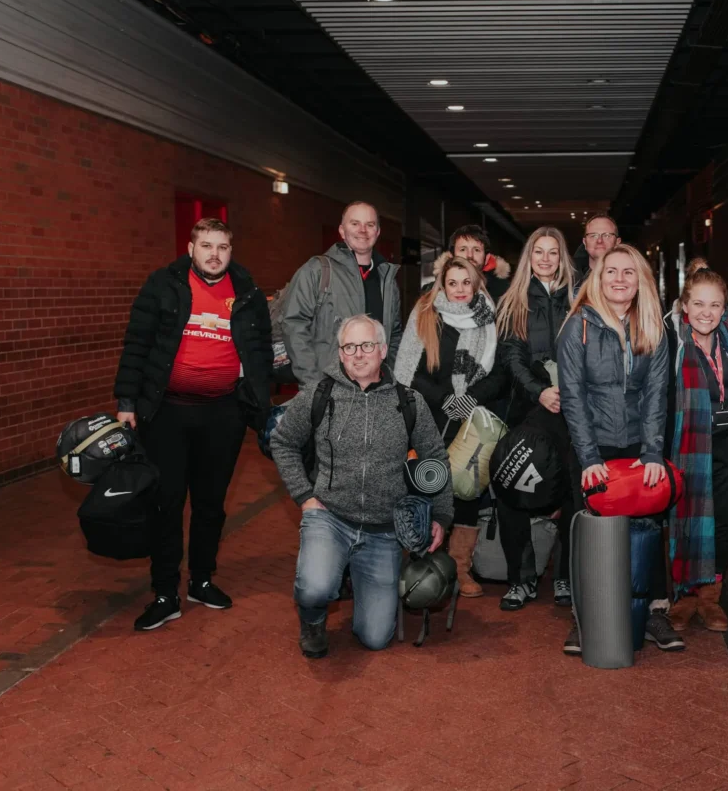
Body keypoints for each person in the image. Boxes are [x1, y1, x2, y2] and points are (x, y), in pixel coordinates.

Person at [114, 217, 272, 631]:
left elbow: (259, 348)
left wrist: (259, 400)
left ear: (230, 251)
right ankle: (165, 592)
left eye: (222, 247)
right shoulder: (163, 285)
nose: (214, 254)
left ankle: (201, 580)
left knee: (210, 504)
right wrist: (127, 401)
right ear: (191, 248)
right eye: (206, 246)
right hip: (166, 413)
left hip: (224, 414)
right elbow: (137, 343)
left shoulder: (247, 291)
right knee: (166, 503)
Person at [270, 315, 452, 657]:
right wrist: (304, 496)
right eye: (349, 347)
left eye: (366, 345)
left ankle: (357, 580)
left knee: (374, 637)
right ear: (340, 354)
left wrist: (440, 514)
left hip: (383, 530)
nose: (358, 354)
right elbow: (282, 442)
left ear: (382, 350)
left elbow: (435, 458)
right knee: (314, 588)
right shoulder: (318, 395)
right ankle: (313, 617)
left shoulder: (409, 401)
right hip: (330, 517)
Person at [558, 244, 683, 655]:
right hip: (590, 442)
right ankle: (585, 617)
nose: (619, 279)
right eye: (612, 271)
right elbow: (573, 397)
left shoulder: (654, 326)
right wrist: (590, 457)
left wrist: (652, 454)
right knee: (591, 531)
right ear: (599, 276)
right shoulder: (577, 327)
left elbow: (656, 393)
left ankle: (653, 612)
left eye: (629, 272)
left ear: (641, 280)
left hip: (637, 442)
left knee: (648, 527)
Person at [394, 257, 508, 599]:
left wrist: (470, 397)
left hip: (470, 418)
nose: (459, 290)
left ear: (477, 285)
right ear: (442, 285)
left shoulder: (491, 320)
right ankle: (420, 563)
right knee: (424, 484)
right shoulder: (426, 313)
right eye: (452, 282)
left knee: (466, 489)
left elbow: (501, 373)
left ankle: (459, 566)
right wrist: (445, 398)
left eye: (466, 282)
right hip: (428, 415)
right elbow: (406, 370)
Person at [664, 267, 728, 633]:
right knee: (686, 519)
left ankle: (710, 597)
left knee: (723, 521)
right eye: (699, 303)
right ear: (685, 305)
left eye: (715, 305)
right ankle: (685, 597)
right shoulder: (671, 341)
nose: (707, 312)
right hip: (689, 442)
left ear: (724, 309)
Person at [493, 227, 576, 610]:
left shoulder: (580, 298)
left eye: (553, 252)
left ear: (562, 258)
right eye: (539, 252)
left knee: (573, 491)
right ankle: (520, 579)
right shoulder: (513, 301)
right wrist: (539, 391)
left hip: (572, 410)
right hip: (528, 407)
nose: (545, 259)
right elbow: (510, 356)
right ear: (530, 256)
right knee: (512, 490)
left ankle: (565, 576)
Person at [283, 201, 402, 388]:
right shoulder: (316, 271)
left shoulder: (387, 280)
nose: (363, 230)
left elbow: (393, 334)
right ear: (341, 230)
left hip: (377, 391)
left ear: (377, 232)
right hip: (328, 390)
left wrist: (390, 378)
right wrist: (314, 385)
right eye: (355, 224)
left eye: (370, 225)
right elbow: (294, 327)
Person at [428, 224, 512, 300]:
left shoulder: (506, 293)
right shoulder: (431, 293)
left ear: (487, 259)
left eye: (476, 250)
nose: (470, 255)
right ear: (451, 257)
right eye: (463, 249)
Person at [572, 214, 619, 286]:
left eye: (606, 235)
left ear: (617, 242)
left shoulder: (629, 278)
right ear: (585, 242)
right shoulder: (569, 279)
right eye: (593, 236)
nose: (599, 240)